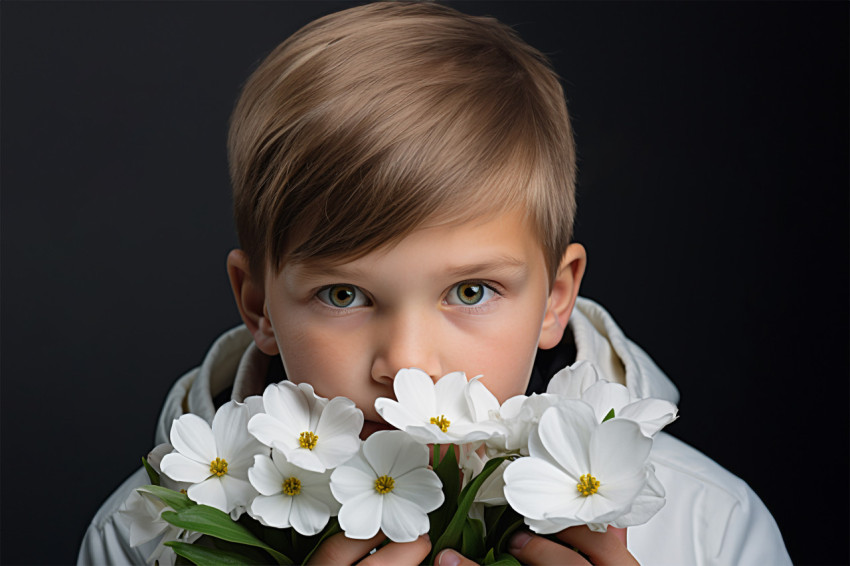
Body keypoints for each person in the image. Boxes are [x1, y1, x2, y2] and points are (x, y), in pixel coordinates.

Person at [77, 2, 791, 564]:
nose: (409, 366)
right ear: (258, 305)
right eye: (345, 295)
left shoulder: (708, 528)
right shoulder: (143, 539)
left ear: (556, 298)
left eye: (471, 291)